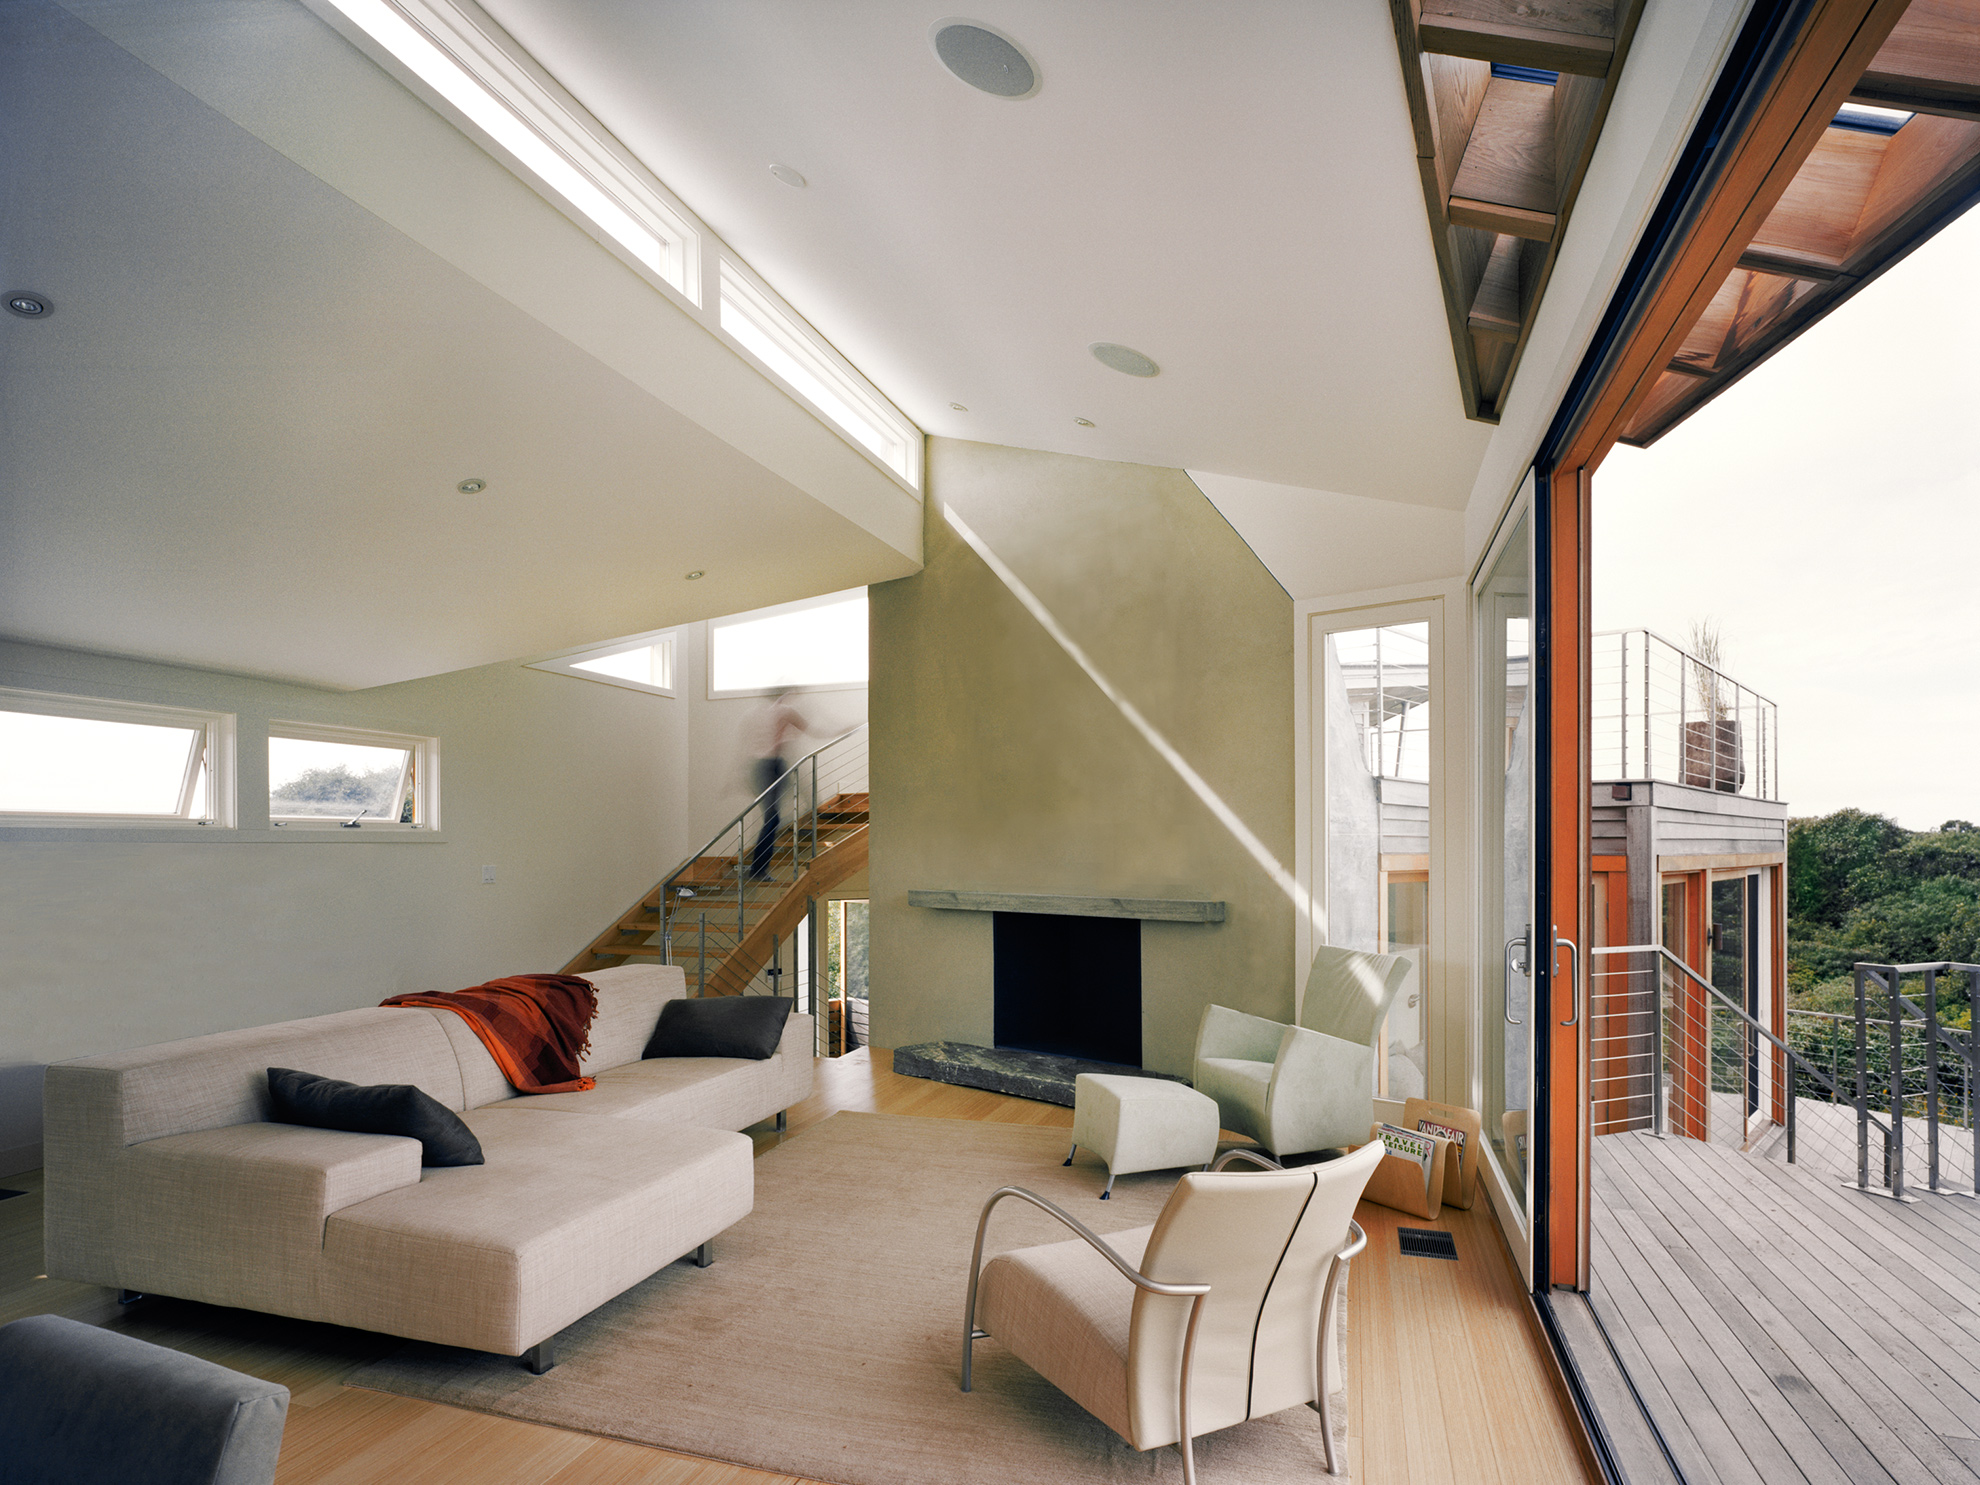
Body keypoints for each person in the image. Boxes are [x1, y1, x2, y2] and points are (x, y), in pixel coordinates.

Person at [741, 690, 808, 881]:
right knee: (772, 817)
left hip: (773, 764)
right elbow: (806, 728)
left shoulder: (769, 712)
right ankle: (757, 870)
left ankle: (759, 869)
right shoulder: (780, 711)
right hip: (767, 766)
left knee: (774, 817)